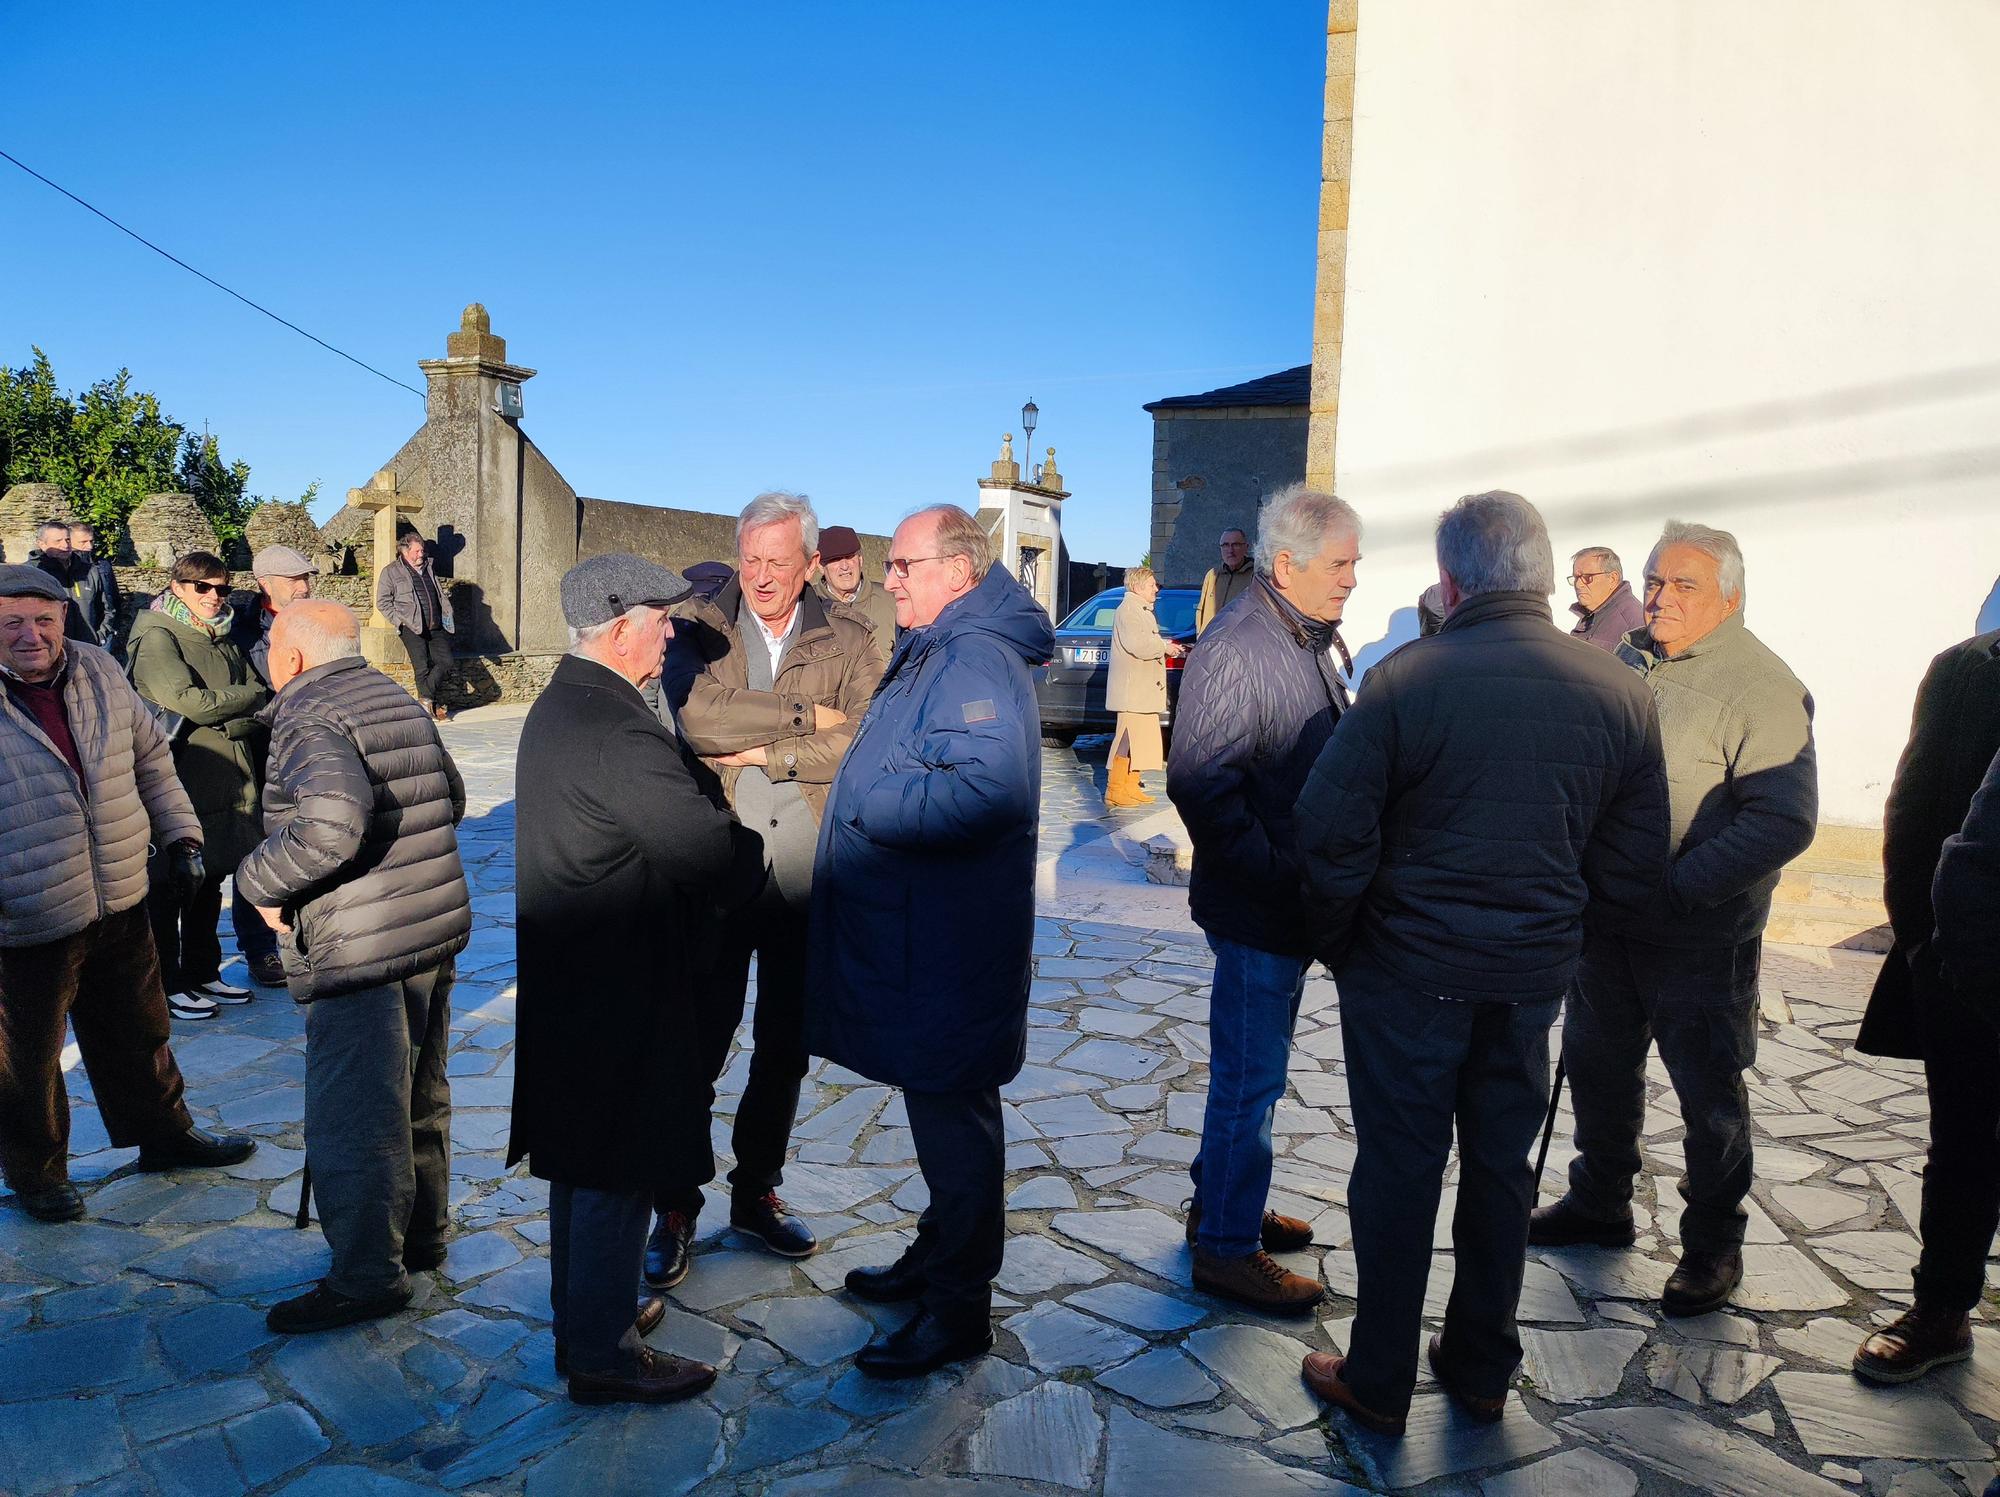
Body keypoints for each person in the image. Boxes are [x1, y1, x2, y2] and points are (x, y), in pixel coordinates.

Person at [1293, 491, 1670, 1435]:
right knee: (1501, 1171)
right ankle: (1480, 1364)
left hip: (1409, 975)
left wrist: (1346, 941)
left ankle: (1380, 1373)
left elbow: (1325, 833)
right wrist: (1561, 939)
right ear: (1543, 576)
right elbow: (1632, 864)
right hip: (1526, 980)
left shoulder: (1408, 678)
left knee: (1399, 1171)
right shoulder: (1623, 689)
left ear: (1453, 580)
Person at [1533, 520, 1818, 1318]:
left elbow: (1783, 820)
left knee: (1709, 1099)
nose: (1657, 597)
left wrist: (1681, 888)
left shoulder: (1763, 686)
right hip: (1610, 927)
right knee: (1596, 1066)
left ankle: (1711, 1244)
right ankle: (1599, 1201)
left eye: (1681, 584)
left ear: (1729, 595)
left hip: (1699, 936)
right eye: (1654, 580)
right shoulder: (1631, 659)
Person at [510, 553, 764, 1404]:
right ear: (621, 627)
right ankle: (603, 1353)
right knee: (613, 1162)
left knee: (582, 1159)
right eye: (661, 621)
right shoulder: (613, 724)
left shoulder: (566, 702)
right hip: (616, 981)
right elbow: (704, 851)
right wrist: (748, 850)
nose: (669, 634)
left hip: (578, 973)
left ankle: (588, 1313)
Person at [807, 504, 1054, 1379]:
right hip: (933, 938)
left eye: (905, 564)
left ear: (958, 568)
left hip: (949, 946)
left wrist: (870, 803)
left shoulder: (973, 655)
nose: (889, 577)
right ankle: (936, 1257)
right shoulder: (943, 647)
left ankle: (958, 1307)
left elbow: (988, 789)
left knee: (956, 1126)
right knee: (944, 1113)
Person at [644, 493, 882, 1287]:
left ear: (810, 563)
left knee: (784, 1047)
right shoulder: (701, 627)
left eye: (777, 561)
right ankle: (675, 1202)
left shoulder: (850, 637)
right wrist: (797, 717)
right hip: (718, 868)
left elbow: (861, 740)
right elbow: (697, 720)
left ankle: (757, 1192)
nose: (760, 575)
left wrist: (768, 757)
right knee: (694, 1043)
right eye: (751, 559)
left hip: (807, 878)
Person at [232, 600, 471, 1334]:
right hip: (425, 931)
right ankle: (421, 1240)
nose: (268, 659)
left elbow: (332, 824)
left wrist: (258, 882)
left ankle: (369, 1275)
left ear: (294, 657)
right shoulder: (387, 692)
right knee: (416, 1097)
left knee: (356, 1118)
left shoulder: (308, 712)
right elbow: (452, 797)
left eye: (273, 646)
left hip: (360, 951)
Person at [0, 564, 253, 1222]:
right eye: (12, 623)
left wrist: (184, 837)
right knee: (26, 1057)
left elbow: (150, 758)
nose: (31, 635)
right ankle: (38, 1172)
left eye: (44, 620)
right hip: (25, 910)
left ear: (63, 620)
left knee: (141, 1030)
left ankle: (165, 1136)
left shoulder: (98, 669)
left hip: (118, 889)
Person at [1164, 484, 1359, 1313]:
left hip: (1286, 902)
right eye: (1341, 564)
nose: (1352, 578)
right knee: (1250, 1080)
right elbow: (1201, 785)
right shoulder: (1242, 643)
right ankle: (1227, 1248)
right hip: (1259, 907)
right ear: (1288, 565)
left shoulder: (1305, 633)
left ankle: (1224, 1205)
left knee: (1255, 1075)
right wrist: (1282, 871)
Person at [1851, 628, 2000, 1384]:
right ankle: (1942, 1309)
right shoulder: (1969, 670)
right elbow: (1912, 813)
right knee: (1966, 1146)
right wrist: (1924, 945)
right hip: (1975, 967)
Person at [128, 552, 268, 1021]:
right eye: (201, 587)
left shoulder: (224, 633)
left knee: (211, 880)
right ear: (178, 587)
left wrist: (228, 712)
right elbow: (190, 702)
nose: (213, 597)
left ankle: (204, 970)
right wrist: (237, 710)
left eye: (221, 588)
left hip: (228, 776)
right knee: (171, 885)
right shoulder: (157, 635)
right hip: (182, 775)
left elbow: (251, 693)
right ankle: (168, 984)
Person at [225, 544, 319, 989]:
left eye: (306, 578)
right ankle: (260, 948)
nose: (305, 586)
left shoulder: (317, 619)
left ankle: (309, 932)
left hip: (309, 741)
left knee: (309, 836)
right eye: (295, 579)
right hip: (260, 745)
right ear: (267, 584)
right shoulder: (239, 628)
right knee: (259, 843)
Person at [1104, 566, 1183, 808]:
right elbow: (1137, 644)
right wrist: (1165, 647)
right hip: (1132, 690)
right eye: (1151, 585)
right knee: (1126, 739)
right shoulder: (1129, 610)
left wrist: (1164, 644)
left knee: (1140, 740)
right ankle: (1115, 788)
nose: (1156, 589)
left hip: (1142, 690)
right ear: (1138, 587)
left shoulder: (1140, 609)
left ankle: (1130, 785)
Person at [377, 527, 454, 721]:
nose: (422, 554)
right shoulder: (391, 572)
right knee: (422, 668)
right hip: (411, 627)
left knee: (446, 662)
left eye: (422, 550)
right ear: (405, 551)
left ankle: (425, 700)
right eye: (417, 551)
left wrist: (447, 611)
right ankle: (431, 707)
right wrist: (399, 623)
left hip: (435, 625)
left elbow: (438, 593)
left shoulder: (428, 567)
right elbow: (382, 602)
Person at [815, 524, 896, 659]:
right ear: (820, 567)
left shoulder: (891, 601)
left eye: (849, 557)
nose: (845, 566)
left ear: (860, 560)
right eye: (835, 560)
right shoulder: (807, 604)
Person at [26, 520, 97, 645]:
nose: (65, 545)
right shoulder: (30, 574)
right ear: (42, 544)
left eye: (67, 540)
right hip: (49, 645)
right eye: (58, 541)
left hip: (88, 645)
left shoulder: (88, 570)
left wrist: (100, 635)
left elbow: (107, 607)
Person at [1567, 546, 1644, 651]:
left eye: (1587, 578)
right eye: (1576, 578)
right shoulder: (1592, 614)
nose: (1578, 585)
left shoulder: (1633, 622)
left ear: (1612, 579)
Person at [64, 520, 124, 653]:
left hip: (100, 638)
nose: (89, 546)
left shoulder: (102, 567)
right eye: (83, 542)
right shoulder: (61, 570)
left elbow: (112, 601)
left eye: (91, 541)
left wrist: (104, 633)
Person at [1194, 527, 1254, 635]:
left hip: (1238, 645)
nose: (1230, 550)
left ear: (1246, 547)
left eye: (1236, 544)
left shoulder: (1256, 576)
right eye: (1225, 545)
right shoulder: (1212, 575)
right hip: (1210, 643)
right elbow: (1201, 610)